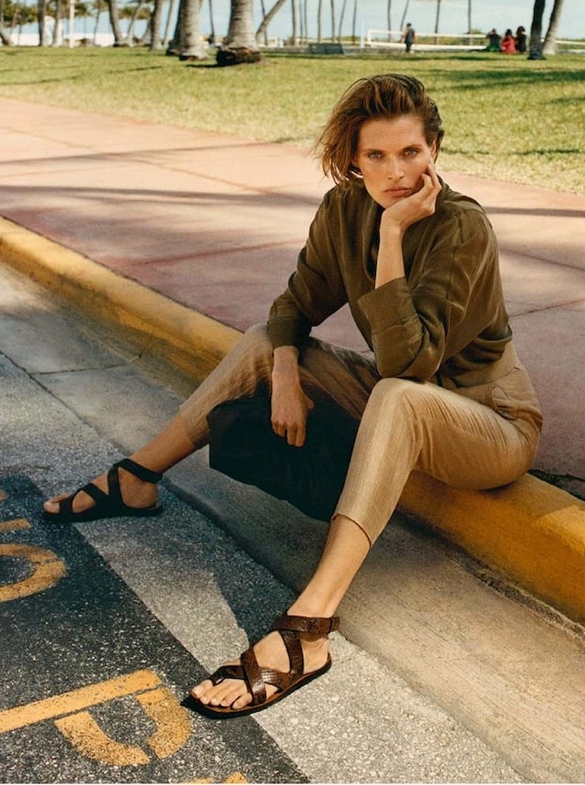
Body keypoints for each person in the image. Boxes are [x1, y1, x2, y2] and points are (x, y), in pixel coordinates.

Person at [42, 74, 542, 719]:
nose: (395, 172)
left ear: (435, 149)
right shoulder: (343, 210)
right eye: (376, 156)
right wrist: (284, 372)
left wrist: (392, 237)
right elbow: (292, 308)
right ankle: (137, 477)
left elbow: (407, 363)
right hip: (407, 395)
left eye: (411, 153)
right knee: (261, 341)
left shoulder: (460, 228)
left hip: (490, 421)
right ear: (354, 160)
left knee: (394, 395)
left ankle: (310, 627)